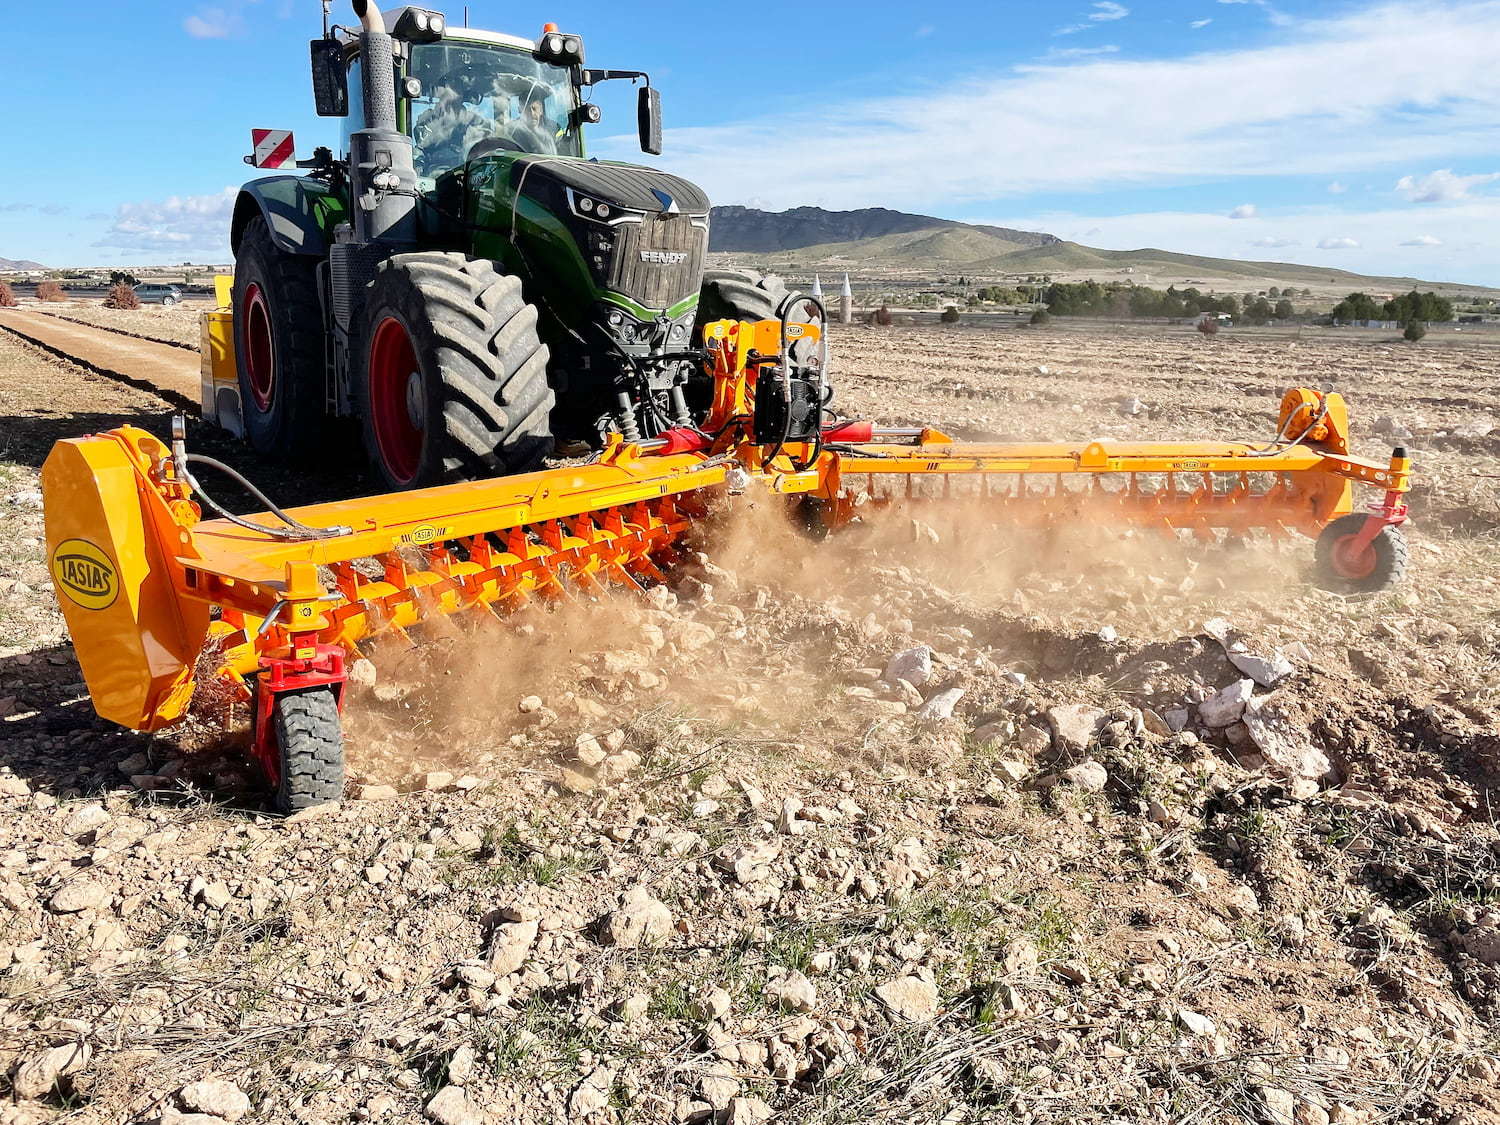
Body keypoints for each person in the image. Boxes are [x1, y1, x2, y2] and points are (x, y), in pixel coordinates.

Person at [413, 83, 494, 174]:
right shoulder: (429, 119)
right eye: (445, 89)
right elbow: (420, 148)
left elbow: (484, 150)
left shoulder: (475, 122)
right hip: (436, 176)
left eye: (456, 91)